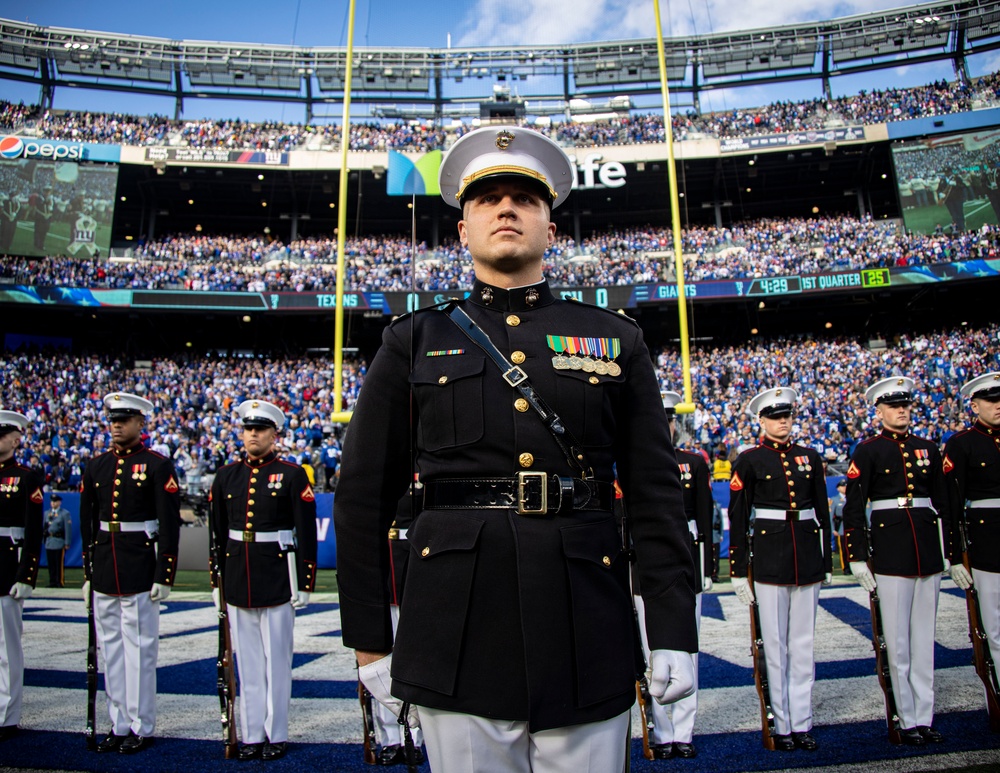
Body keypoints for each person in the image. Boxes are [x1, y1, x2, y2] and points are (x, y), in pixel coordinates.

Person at [334, 125, 698, 773]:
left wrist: (673, 627)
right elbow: (362, 498)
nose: (507, 208)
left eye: (527, 198)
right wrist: (369, 639)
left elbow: (655, 495)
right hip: (455, 623)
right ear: (463, 230)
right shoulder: (411, 340)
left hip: (586, 618)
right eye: (488, 199)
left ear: (550, 229)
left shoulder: (615, 337)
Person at [843, 376, 950, 746]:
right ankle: (905, 719)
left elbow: (943, 504)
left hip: (926, 550)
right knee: (899, 644)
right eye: (893, 405)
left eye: (905, 405)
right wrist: (857, 555)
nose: (901, 410)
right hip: (889, 553)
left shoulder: (927, 448)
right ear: (879, 411)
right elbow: (854, 507)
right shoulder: (868, 450)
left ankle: (925, 716)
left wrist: (949, 551)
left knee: (924, 642)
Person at [209, 399, 317, 762]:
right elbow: (218, 532)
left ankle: (277, 733)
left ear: (274, 434)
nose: (253, 434)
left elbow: (304, 530)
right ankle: (252, 733)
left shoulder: (291, 474)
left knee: (276, 662)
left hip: (276, 575)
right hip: (239, 574)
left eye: (260, 429)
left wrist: (304, 582)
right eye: (248, 429)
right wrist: (216, 581)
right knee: (248, 664)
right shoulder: (226, 476)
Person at [728, 387, 831, 752]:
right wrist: (739, 570)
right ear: (762, 421)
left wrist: (827, 559)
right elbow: (738, 517)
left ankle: (801, 723)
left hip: (806, 557)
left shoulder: (810, 457)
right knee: (774, 647)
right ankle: (780, 724)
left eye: (787, 415)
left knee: (803, 646)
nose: (783, 421)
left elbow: (822, 511)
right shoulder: (750, 460)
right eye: (775, 416)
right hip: (770, 559)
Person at [79, 392, 181, 754]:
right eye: (113, 419)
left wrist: (164, 573)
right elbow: (89, 523)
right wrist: (89, 571)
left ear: (141, 423)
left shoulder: (156, 465)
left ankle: (141, 723)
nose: (117, 425)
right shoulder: (96, 467)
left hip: (140, 563)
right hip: (107, 563)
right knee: (111, 651)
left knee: (140, 650)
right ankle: (118, 722)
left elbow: (169, 524)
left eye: (125, 419)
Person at [634, 391, 713, 759]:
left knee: (686, 649)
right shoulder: (629, 465)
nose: (665, 425)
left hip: (686, 563)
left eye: (669, 419)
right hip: (642, 568)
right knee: (652, 651)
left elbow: (704, 520)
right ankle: (662, 733)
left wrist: (708, 568)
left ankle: (684, 732)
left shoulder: (693, 463)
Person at [943, 373, 1000, 686]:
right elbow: (951, 504)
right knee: (995, 626)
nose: (998, 405)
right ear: (975, 406)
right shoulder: (962, 443)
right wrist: (953, 555)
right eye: (991, 401)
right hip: (987, 542)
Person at [370, 475, 427, 766]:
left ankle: (416, 737)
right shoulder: (375, 463)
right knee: (382, 658)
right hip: (383, 562)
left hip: (415, 559)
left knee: (416, 657)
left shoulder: (423, 464)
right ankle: (389, 738)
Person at [0, 411, 43, 741]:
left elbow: (32, 531)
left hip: (6, 564)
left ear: (16, 439)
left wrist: (27, 574)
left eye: (3, 433)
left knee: (6, 647)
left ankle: (6, 716)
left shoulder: (26, 477)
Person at [44, 493, 71, 588]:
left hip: (59, 541)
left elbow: (67, 529)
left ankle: (59, 581)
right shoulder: (47, 513)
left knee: (58, 563)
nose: (53, 503)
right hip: (49, 541)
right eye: (52, 501)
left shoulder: (64, 513)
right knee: (51, 563)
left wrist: (67, 542)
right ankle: (52, 581)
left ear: (59, 502)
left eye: (55, 501)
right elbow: (44, 527)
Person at [830, 480, 850, 574]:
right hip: (841, 527)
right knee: (843, 549)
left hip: (851, 525)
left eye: (846, 486)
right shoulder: (834, 499)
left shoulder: (851, 497)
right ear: (838, 488)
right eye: (842, 486)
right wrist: (833, 529)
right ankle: (845, 568)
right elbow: (831, 516)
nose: (845, 488)